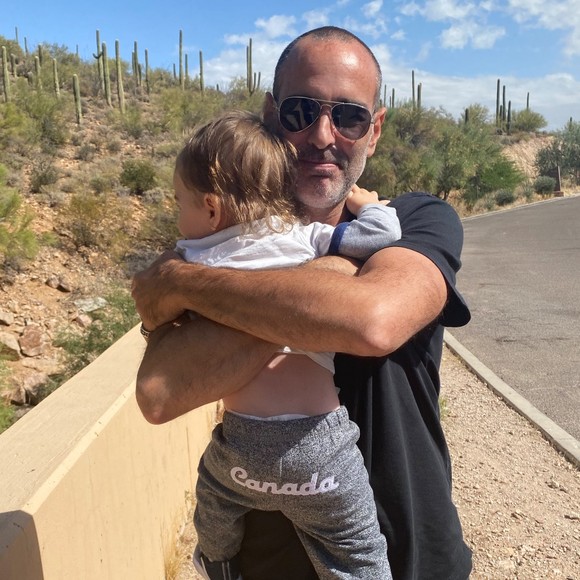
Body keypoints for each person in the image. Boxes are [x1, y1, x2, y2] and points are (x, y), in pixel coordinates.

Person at [132, 26, 473, 580]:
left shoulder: (416, 219)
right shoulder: (227, 246)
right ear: (271, 115)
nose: (322, 135)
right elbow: (159, 394)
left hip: (415, 558)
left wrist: (183, 284)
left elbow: (372, 321)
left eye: (350, 117)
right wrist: (328, 284)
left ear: (374, 131)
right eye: (301, 111)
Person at [161, 109, 400, 579]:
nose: (178, 216)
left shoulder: (192, 259)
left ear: (211, 208)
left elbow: (160, 308)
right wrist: (365, 203)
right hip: (321, 451)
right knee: (357, 550)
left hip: (242, 451)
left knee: (212, 497)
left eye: (178, 203)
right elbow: (381, 235)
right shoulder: (304, 239)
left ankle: (216, 562)